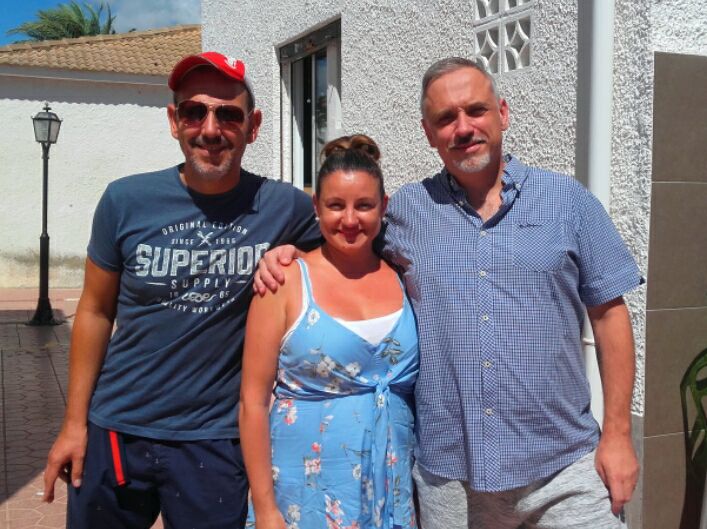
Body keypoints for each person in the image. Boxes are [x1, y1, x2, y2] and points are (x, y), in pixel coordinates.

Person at [255, 57, 643, 528]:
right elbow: (348, 237)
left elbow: (609, 314)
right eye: (446, 118)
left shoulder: (568, 201)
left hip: (562, 464)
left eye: (476, 110)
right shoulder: (408, 211)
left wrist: (618, 434)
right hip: (450, 478)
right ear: (428, 132)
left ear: (502, 113)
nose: (463, 128)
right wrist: (292, 254)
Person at [42, 51, 320, 529]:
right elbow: (95, 311)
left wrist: (298, 254)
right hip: (118, 429)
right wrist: (73, 425)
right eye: (194, 112)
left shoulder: (285, 207)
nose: (210, 129)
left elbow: (349, 242)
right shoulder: (125, 200)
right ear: (174, 121)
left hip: (215, 441)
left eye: (228, 115)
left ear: (253, 126)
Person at [240, 135, 419, 529]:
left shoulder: (404, 275)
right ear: (316, 208)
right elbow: (253, 402)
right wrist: (265, 508)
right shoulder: (284, 282)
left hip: (390, 489)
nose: (350, 220)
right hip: (303, 495)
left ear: (384, 206)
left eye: (364, 205)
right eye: (336, 205)